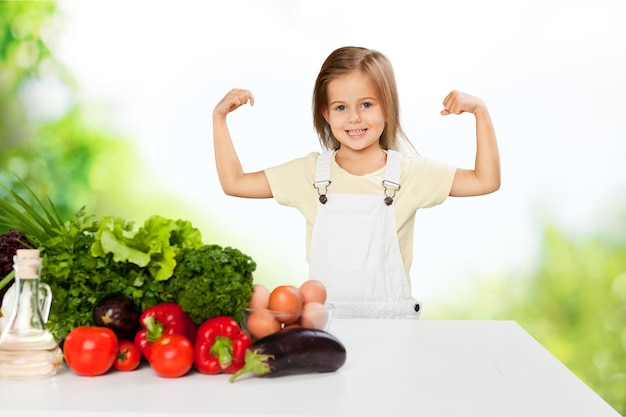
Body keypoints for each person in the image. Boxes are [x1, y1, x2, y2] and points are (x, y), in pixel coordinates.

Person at [213, 46, 500, 319]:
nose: (354, 117)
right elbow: (235, 183)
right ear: (325, 113)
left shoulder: (409, 174)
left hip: (393, 331)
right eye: (340, 107)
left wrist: (481, 112)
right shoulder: (309, 174)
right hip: (325, 327)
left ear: (388, 109)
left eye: (366, 104)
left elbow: (484, 181)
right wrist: (219, 118)